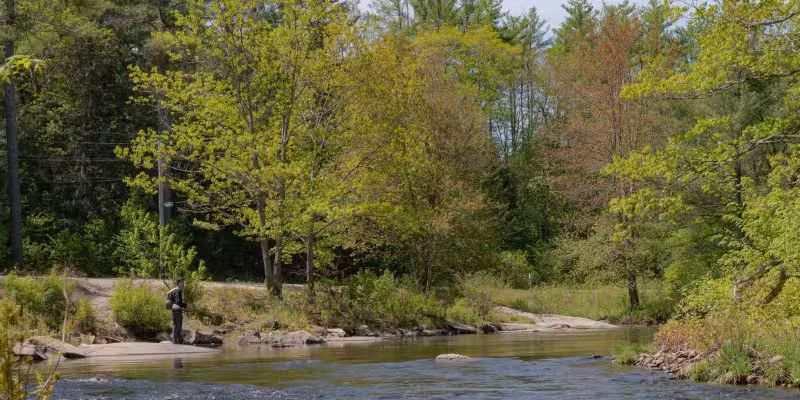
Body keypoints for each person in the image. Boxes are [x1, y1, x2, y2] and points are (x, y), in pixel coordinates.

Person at [166, 277, 187, 344]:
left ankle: (178, 340)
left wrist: (183, 306)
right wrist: (186, 305)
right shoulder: (178, 291)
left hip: (175, 310)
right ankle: (175, 341)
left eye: (183, 282)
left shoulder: (175, 290)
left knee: (177, 325)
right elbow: (178, 302)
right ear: (178, 283)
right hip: (177, 310)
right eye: (182, 282)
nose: (183, 283)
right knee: (177, 325)